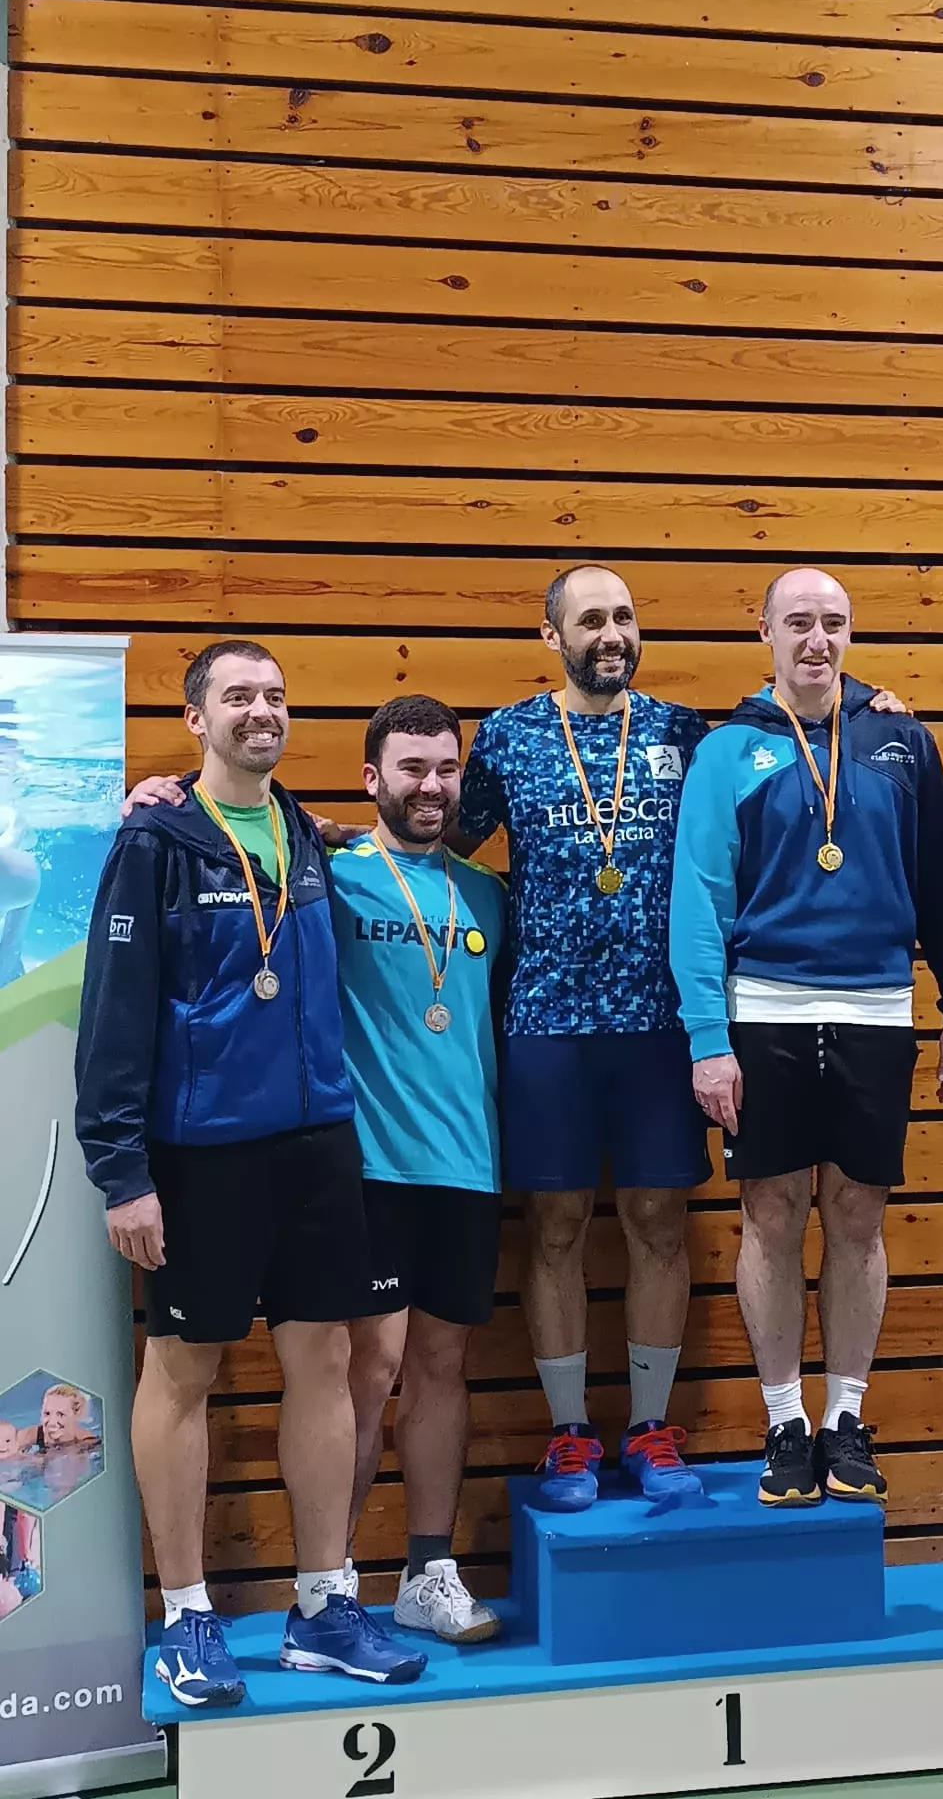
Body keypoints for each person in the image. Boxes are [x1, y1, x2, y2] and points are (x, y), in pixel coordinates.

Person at [76, 639, 426, 1708]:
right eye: (239, 696)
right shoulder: (156, 840)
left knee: (323, 1357)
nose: (260, 710)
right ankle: (187, 1615)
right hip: (199, 1152)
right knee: (182, 1371)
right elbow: (114, 1010)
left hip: (318, 1140)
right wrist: (120, 1168)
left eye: (274, 695)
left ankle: (323, 1605)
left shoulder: (306, 837)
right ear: (196, 719)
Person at [670, 568, 943, 1508]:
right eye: (798, 622)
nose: (817, 640)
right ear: (763, 631)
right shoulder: (729, 750)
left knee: (858, 1218)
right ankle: (784, 1422)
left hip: (878, 1010)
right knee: (771, 1217)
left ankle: (845, 1416)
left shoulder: (902, 741)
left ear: (851, 634)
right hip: (763, 1010)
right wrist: (705, 1037)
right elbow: (698, 901)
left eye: (833, 624)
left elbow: (942, 883)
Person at [448, 565, 715, 1511]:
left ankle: (648, 1427)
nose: (612, 633)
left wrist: (862, 697)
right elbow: (434, 839)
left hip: (660, 1023)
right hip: (544, 1021)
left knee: (658, 1224)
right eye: (591, 618)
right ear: (552, 636)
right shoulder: (510, 736)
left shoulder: (689, 736)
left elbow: (797, 734)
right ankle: (568, 1435)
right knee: (554, 1227)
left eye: (625, 616)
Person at [333, 695, 507, 1642]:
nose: (431, 786)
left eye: (445, 769)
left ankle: (427, 1569)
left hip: (469, 1167)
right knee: (373, 1366)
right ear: (374, 780)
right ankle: (334, 1581)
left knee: (443, 1364)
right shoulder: (335, 878)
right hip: (371, 1165)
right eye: (412, 769)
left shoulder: (486, 896)